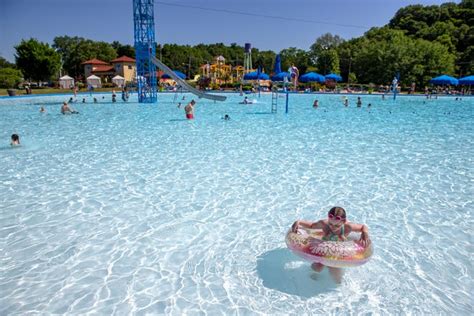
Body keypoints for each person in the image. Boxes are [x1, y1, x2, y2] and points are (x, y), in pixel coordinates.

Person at [291, 206, 370, 283]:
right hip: (324, 251)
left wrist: (365, 234)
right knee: (316, 269)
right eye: (330, 224)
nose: (333, 227)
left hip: (338, 254)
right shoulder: (324, 224)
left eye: (337, 225)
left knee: (337, 279)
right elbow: (312, 225)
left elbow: (363, 227)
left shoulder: (348, 227)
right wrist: (299, 222)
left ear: (344, 221)